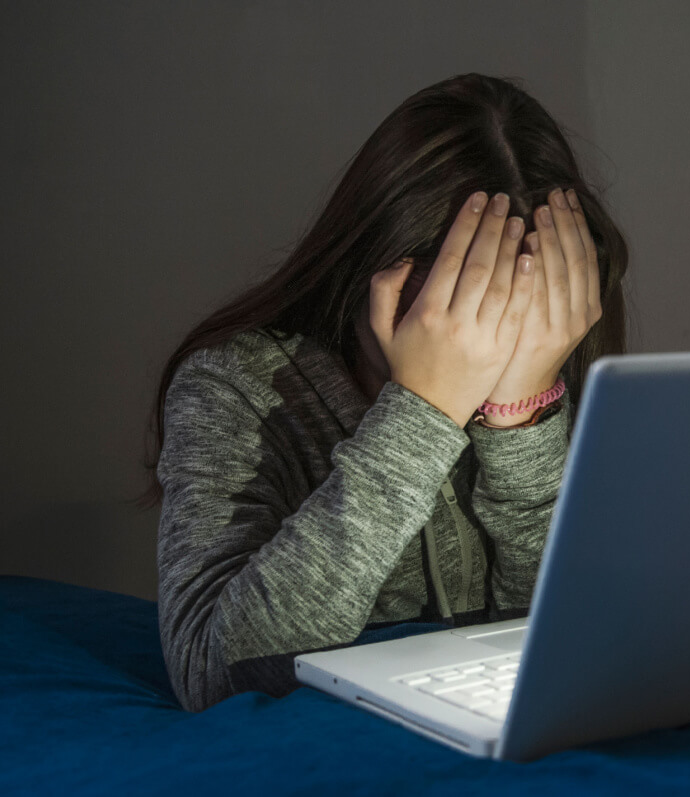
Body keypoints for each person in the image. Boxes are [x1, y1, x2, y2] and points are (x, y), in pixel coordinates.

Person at [131, 73, 632, 712]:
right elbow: (213, 675)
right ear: (375, 259)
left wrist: (522, 422)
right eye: (465, 297)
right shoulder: (234, 386)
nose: (500, 331)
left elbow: (574, 640)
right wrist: (423, 412)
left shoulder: (551, 354)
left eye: (526, 300)